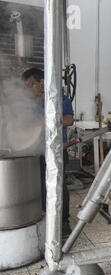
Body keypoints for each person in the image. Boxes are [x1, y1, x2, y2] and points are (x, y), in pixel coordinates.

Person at [22, 67, 74, 239]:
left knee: (59, 187)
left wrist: (43, 121)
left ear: (42, 82)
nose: (29, 89)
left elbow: (68, 119)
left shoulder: (57, 98)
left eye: (31, 85)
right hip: (38, 152)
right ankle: (47, 219)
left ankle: (64, 223)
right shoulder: (32, 104)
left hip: (57, 152)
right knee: (42, 187)